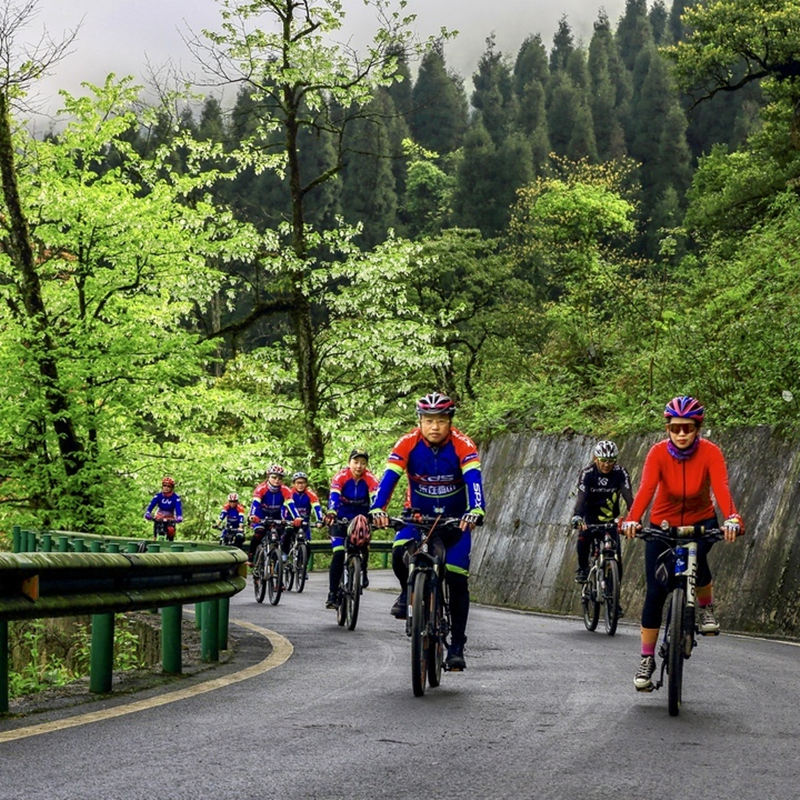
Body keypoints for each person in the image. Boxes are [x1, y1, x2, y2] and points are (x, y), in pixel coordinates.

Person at [621, 396, 744, 692]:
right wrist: (632, 519)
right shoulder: (657, 453)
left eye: (687, 428)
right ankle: (647, 660)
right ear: (668, 429)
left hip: (702, 521)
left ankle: (705, 608)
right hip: (663, 525)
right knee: (656, 590)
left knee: (698, 554)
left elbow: (721, 488)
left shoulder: (711, 453)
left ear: (697, 428)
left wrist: (732, 518)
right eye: (675, 428)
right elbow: (647, 488)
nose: (681, 434)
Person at [370, 392, 486, 671]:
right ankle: (404, 593)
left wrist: (477, 509)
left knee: (457, 579)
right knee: (399, 551)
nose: (435, 427)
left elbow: (474, 480)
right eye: (429, 420)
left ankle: (456, 645)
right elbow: (389, 479)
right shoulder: (407, 443)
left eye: (442, 421)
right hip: (417, 517)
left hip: (454, 522)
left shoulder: (463, 444)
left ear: (450, 422)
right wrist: (378, 508)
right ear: (419, 421)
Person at [323, 449, 380, 608]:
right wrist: (332, 511)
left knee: (363, 545)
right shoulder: (341, 477)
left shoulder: (370, 478)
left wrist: (376, 512)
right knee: (339, 553)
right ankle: (332, 594)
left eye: (363, 462)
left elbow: (376, 495)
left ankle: (363, 569)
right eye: (356, 462)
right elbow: (334, 496)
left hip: (361, 519)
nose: (359, 466)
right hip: (340, 518)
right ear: (349, 463)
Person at [571, 440, 633, 584]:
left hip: (610, 521)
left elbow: (628, 496)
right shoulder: (587, 473)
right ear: (595, 459)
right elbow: (581, 497)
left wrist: (635, 518)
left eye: (611, 461)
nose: (607, 464)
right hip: (590, 519)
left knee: (617, 557)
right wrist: (577, 516)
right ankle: (583, 568)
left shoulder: (620, 472)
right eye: (603, 460)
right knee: (583, 539)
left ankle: (614, 601)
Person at [247, 465, 302, 566]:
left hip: (276, 516)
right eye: (274, 477)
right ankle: (251, 557)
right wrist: (252, 515)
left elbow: (291, 504)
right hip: (260, 515)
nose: (277, 480)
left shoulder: (285, 490)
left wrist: (297, 517)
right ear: (268, 477)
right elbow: (255, 504)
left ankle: (277, 563)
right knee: (260, 532)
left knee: (281, 536)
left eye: (280, 478)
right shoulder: (261, 489)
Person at [290, 472, 323, 540]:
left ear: (306, 484)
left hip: (305, 524)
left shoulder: (310, 494)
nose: (300, 485)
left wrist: (319, 520)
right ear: (294, 484)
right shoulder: (289, 493)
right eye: (298, 483)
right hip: (290, 522)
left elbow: (317, 508)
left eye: (303, 483)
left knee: (307, 544)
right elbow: (283, 508)